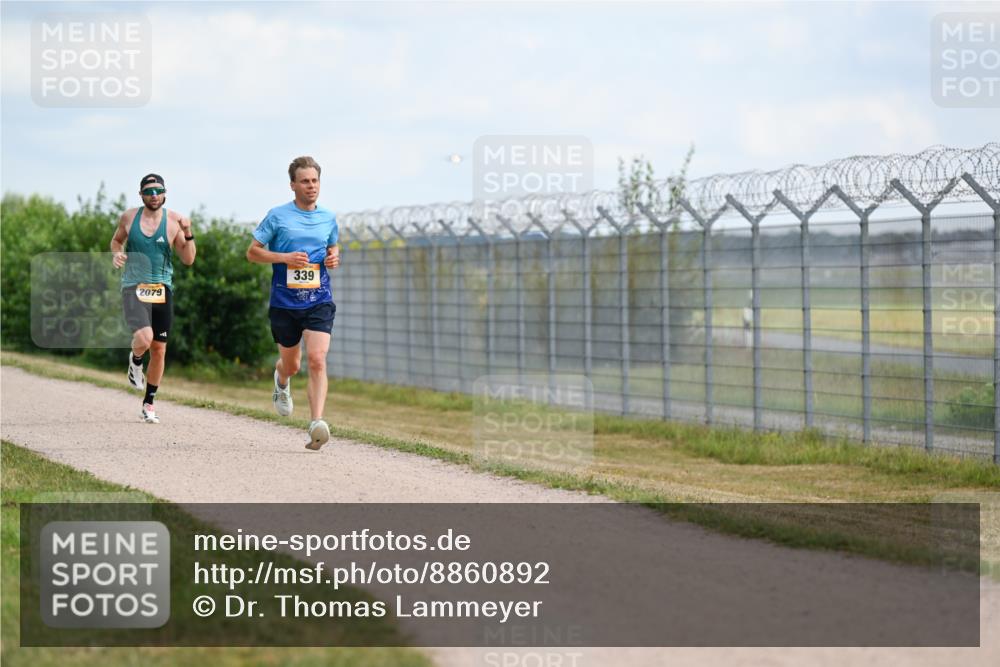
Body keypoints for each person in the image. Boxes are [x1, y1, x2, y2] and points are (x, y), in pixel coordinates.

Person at [247, 156, 340, 450]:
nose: (311, 186)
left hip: (318, 300)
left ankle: (316, 423)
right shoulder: (277, 216)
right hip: (285, 303)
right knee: (293, 365)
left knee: (317, 359)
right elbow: (252, 252)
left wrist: (334, 256)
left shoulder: (328, 217)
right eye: (305, 181)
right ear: (292, 185)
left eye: (315, 181)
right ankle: (281, 380)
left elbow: (332, 244)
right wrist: (284, 258)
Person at [110, 173, 196, 423]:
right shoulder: (129, 217)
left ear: (165, 193)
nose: (154, 195)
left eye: (158, 191)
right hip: (133, 286)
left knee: (159, 349)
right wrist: (116, 254)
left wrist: (188, 231)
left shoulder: (173, 222)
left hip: (161, 289)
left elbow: (188, 259)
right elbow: (116, 241)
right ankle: (135, 359)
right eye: (149, 191)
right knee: (144, 338)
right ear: (141, 195)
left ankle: (149, 403)